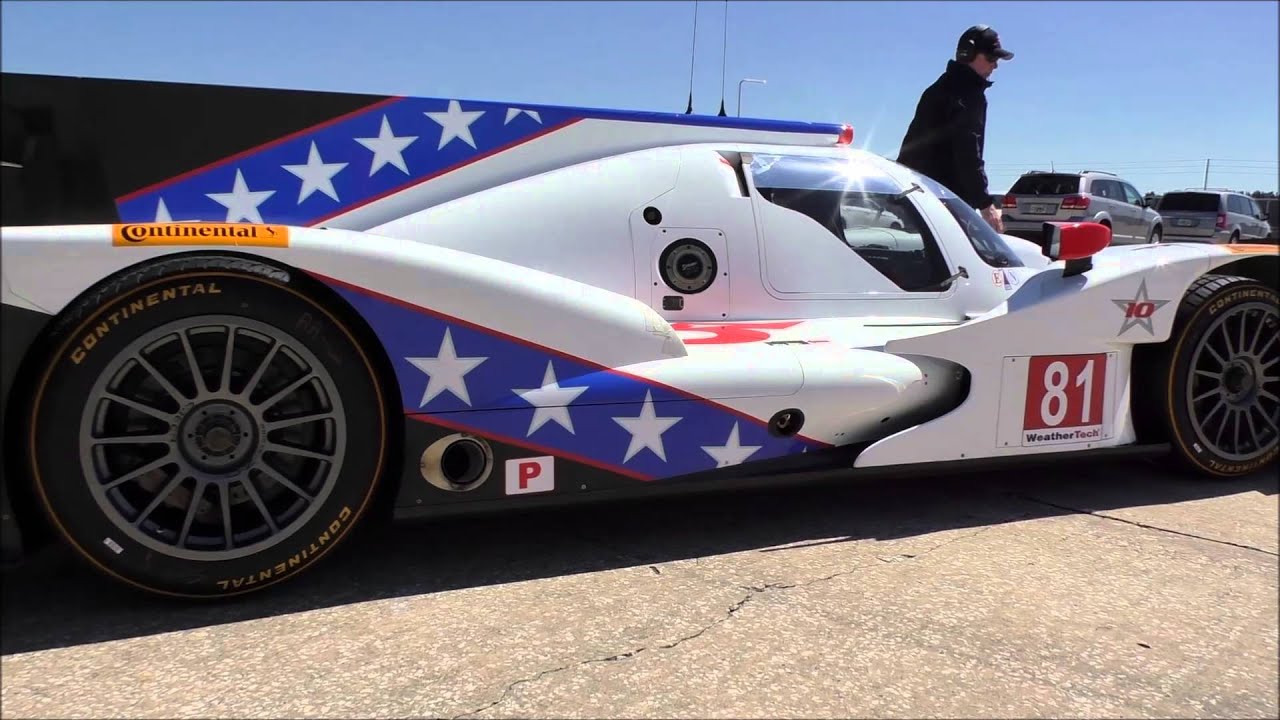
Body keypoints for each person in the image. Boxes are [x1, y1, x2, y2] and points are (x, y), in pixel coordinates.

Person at [897, 25, 1014, 233]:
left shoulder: (938, 88)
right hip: (945, 203)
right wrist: (986, 204)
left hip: (919, 200)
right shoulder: (968, 95)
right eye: (990, 58)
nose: (995, 65)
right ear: (968, 54)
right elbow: (967, 149)